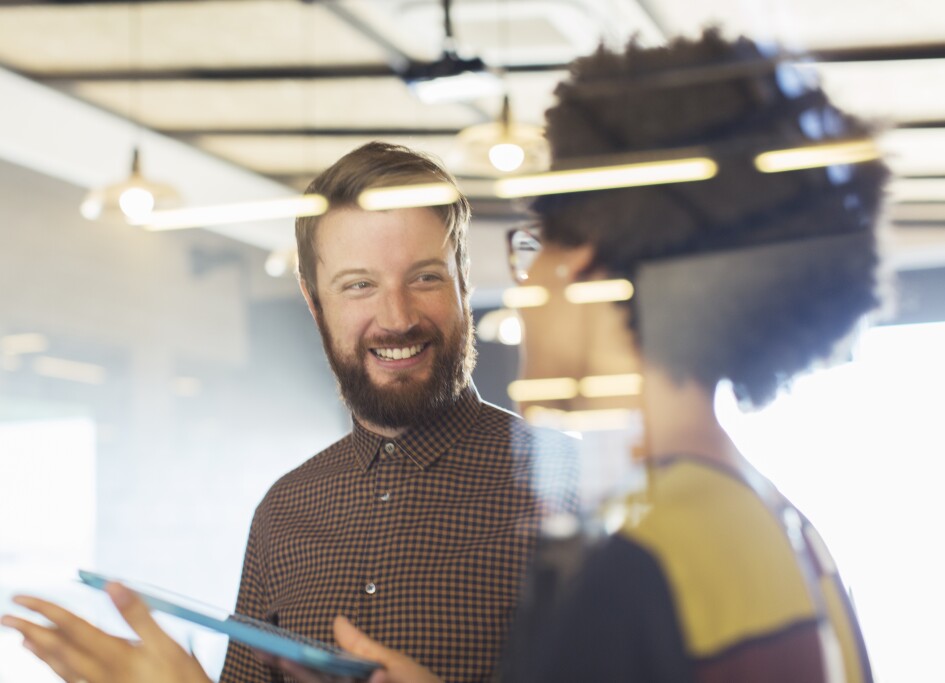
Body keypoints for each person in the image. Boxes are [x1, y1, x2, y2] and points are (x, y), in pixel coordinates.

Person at [4, 28, 886, 683]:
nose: (528, 273)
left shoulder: (638, 543)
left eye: (542, 242)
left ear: (588, 266)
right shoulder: (763, 523)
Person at [1, 142, 575, 683]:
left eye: (425, 277)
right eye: (359, 285)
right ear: (313, 299)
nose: (397, 316)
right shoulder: (283, 513)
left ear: (464, 281)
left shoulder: (573, 488)